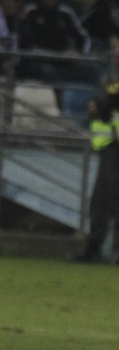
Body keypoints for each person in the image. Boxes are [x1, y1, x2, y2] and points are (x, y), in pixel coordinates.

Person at [77, 84, 119, 262]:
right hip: (108, 147)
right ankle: (94, 250)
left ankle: (104, 250)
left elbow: (109, 101)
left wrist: (101, 103)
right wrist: (96, 104)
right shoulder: (111, 83)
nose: (116, 60)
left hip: (115, 148)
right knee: (100, 202)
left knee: (111, 201)